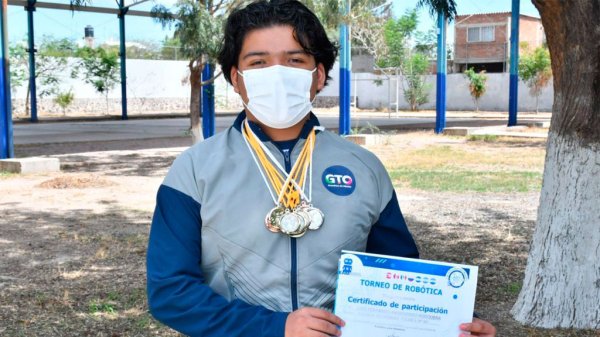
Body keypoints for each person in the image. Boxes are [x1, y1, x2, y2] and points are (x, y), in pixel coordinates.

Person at [146, 1, 497, 336]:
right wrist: (274, 328)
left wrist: (455, 323)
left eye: (294, 60)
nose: (277, 74)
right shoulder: (195, 170)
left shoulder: (364, 168)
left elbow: (398, 276)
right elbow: (171, 291)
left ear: (318, 75)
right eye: (258, 62)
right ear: (236, 79)